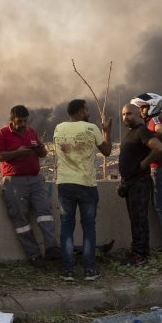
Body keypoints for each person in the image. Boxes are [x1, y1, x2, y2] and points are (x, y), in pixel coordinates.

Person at [52, 99, 112, 281]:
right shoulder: (91, 128)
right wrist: (107, 132)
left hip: (65, 184)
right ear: (80, 111)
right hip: (86, 184)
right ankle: (89, 270)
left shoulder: (58, 128)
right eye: (86, 109)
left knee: (67, 227)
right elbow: (107, 151)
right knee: (89, 228)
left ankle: (68, 270)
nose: (88, 111)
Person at [0, 105, 59, 268]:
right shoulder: (3, 133)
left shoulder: (31, 132)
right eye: (19, 121)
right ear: (12, 120)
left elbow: (43, 154)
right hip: (14, 182)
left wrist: (41, 149)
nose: (22, 124)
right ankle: (34, 255)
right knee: (20, 218)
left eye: (24, 120)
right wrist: (17, 153)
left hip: (36, 180)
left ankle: (51, 248)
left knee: (44, 211)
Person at [132, 93, 162, 252]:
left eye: (143, 107)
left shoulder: (155, 121)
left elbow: (161, 132)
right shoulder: (152, 121)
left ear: (152, 106)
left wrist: (151, 143)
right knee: (161, 207)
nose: (141, 111)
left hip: (159, 168)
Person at [117, 103, 162, 267]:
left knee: (139, 219)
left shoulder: (142, 131)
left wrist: (143, 165)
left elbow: (159, 148)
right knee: (135, 219)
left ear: (138, 114)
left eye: (129, 113)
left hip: (139, 183)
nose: (126, 117)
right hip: (130, 183)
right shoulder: (131, 133)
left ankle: (140, 256)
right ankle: (138, 251)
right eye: (123, 114)